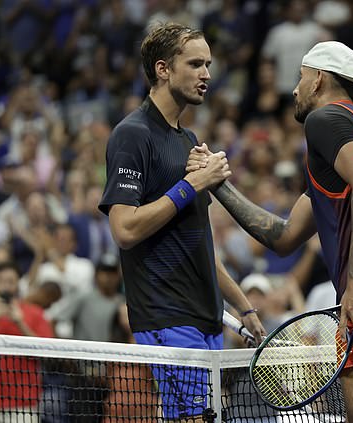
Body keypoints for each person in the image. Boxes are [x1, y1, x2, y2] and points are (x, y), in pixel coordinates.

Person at [189, 41, 353, 422]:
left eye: (300, 78)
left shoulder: (326, 120)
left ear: (318, 79)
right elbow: (284, 236)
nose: (294, 89)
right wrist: (218, 183)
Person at [98, 22, 265, 422]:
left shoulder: (188, 141)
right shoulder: (132, 135)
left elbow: (199, 242)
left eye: (208, 64)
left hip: (205, 319)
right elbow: (124, 230)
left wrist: (243, 307)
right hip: (166, 317)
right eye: (194, 64)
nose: (206, 74)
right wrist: (190, 184)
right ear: (163, 69)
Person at [0, 261, 54, 422]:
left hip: (23, 404)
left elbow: (47, 351)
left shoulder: (34, 313)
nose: (6, 286)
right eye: (1, 281)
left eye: (11, 281)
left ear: (18, 283)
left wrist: (20, 322)